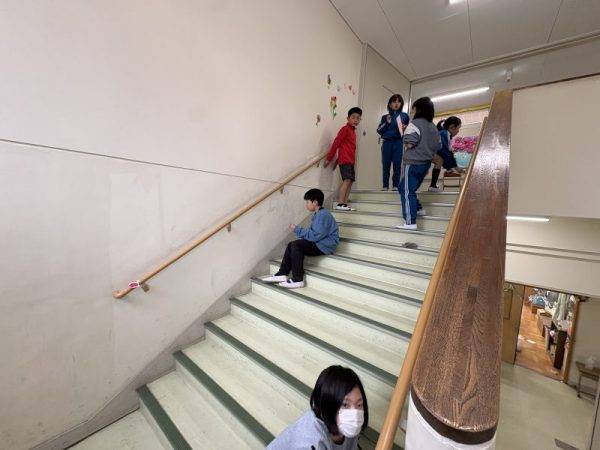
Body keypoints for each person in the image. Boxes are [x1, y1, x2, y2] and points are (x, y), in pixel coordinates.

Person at [266, 365, 368, 450]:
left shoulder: (348, 428)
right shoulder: (311, 440)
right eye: (345, 405)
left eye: (359, 404)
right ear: (327, 405)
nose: (355, 414)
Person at [262, 189, 339, 289]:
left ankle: (298, 279)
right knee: (292, 244)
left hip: (325, 246)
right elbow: (314, 234)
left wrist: (297, 229)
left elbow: (314, 236)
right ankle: (282, 273)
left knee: (296, 245)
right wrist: (301, 236)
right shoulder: (319, 213)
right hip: (320, 242)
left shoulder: (323, 215)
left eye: (307, 202)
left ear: (315, 202)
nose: (306, 205)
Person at [398, 97, 441, 231]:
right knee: (403, 187)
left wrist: (405, 133)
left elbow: (409, 144)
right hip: (425, 164)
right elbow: (438, 146)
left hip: (412, 163)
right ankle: (418, 208)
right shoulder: (433, 127)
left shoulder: (414, 123)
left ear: (418, 110)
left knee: (407, 190)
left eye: (412, 110)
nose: (411, 113)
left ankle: (410, 222)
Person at [324, 107, 362, 211]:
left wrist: (337, 161)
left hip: (350, 161)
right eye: (353, 117)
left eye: (358, 118)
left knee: (350, 181)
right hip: (345, 160)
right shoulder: (345, 129)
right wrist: (329, 158)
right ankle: (340, 203)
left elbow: (345, 148)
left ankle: (345, 203)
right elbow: (336, 143)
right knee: (347, 180)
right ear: (348, 118)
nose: (355, 120)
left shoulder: (353, 132)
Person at [376, 94, 410, 190]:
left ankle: (395, 185)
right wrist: (387, 122)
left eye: (399, 101)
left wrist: (405, 128)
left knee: (397, 165)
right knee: (386, 165)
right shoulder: (385, 117)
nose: (396, 103)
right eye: (394, 101)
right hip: (387, 143)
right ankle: (385, 186)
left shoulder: (404, 116)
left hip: (398, 143)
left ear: (401, 104)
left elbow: (408, 130)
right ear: (390, 104)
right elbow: (379, 130)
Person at [428, 116, 463, 192]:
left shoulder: (445, 134)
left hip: (427, 152)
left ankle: (432, 186)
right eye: (458, 128)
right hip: (424, 152)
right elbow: (445, 152)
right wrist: (455, 167)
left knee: (439, 160)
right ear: (452, 127)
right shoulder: (444, 133)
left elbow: (444, 154)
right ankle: (432, 186)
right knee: (440, 159)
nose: (458, 131)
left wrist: (448, 168)